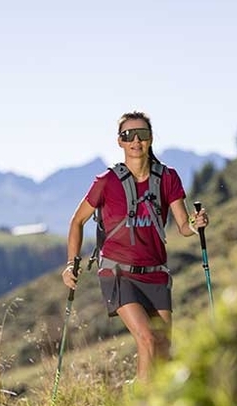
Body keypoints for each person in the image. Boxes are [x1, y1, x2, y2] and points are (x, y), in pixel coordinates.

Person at [62, 110, 209, 382]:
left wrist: (196, 222)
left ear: (151, 138)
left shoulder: (167, 177)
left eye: (142, 134)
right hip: (118, 273)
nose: (135, 141)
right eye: (128, 135)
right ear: (119, 141)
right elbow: (77, 221)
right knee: (148, 338)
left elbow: (184, 226)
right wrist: (72, 263)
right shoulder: (106, 182)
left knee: (163, 351)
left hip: (156, 272)